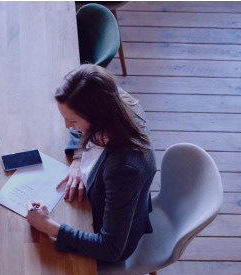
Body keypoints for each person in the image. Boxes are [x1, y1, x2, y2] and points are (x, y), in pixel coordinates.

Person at [26, 64, 157, 263]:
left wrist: (49, 226)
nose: (67, 126)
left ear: (99, 114)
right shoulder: (111, 98)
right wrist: (78, 158)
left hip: (108, 237)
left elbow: (111, 248)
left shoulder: (124, 170)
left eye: (73, 121)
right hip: (96, 201)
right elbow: (79, 127)